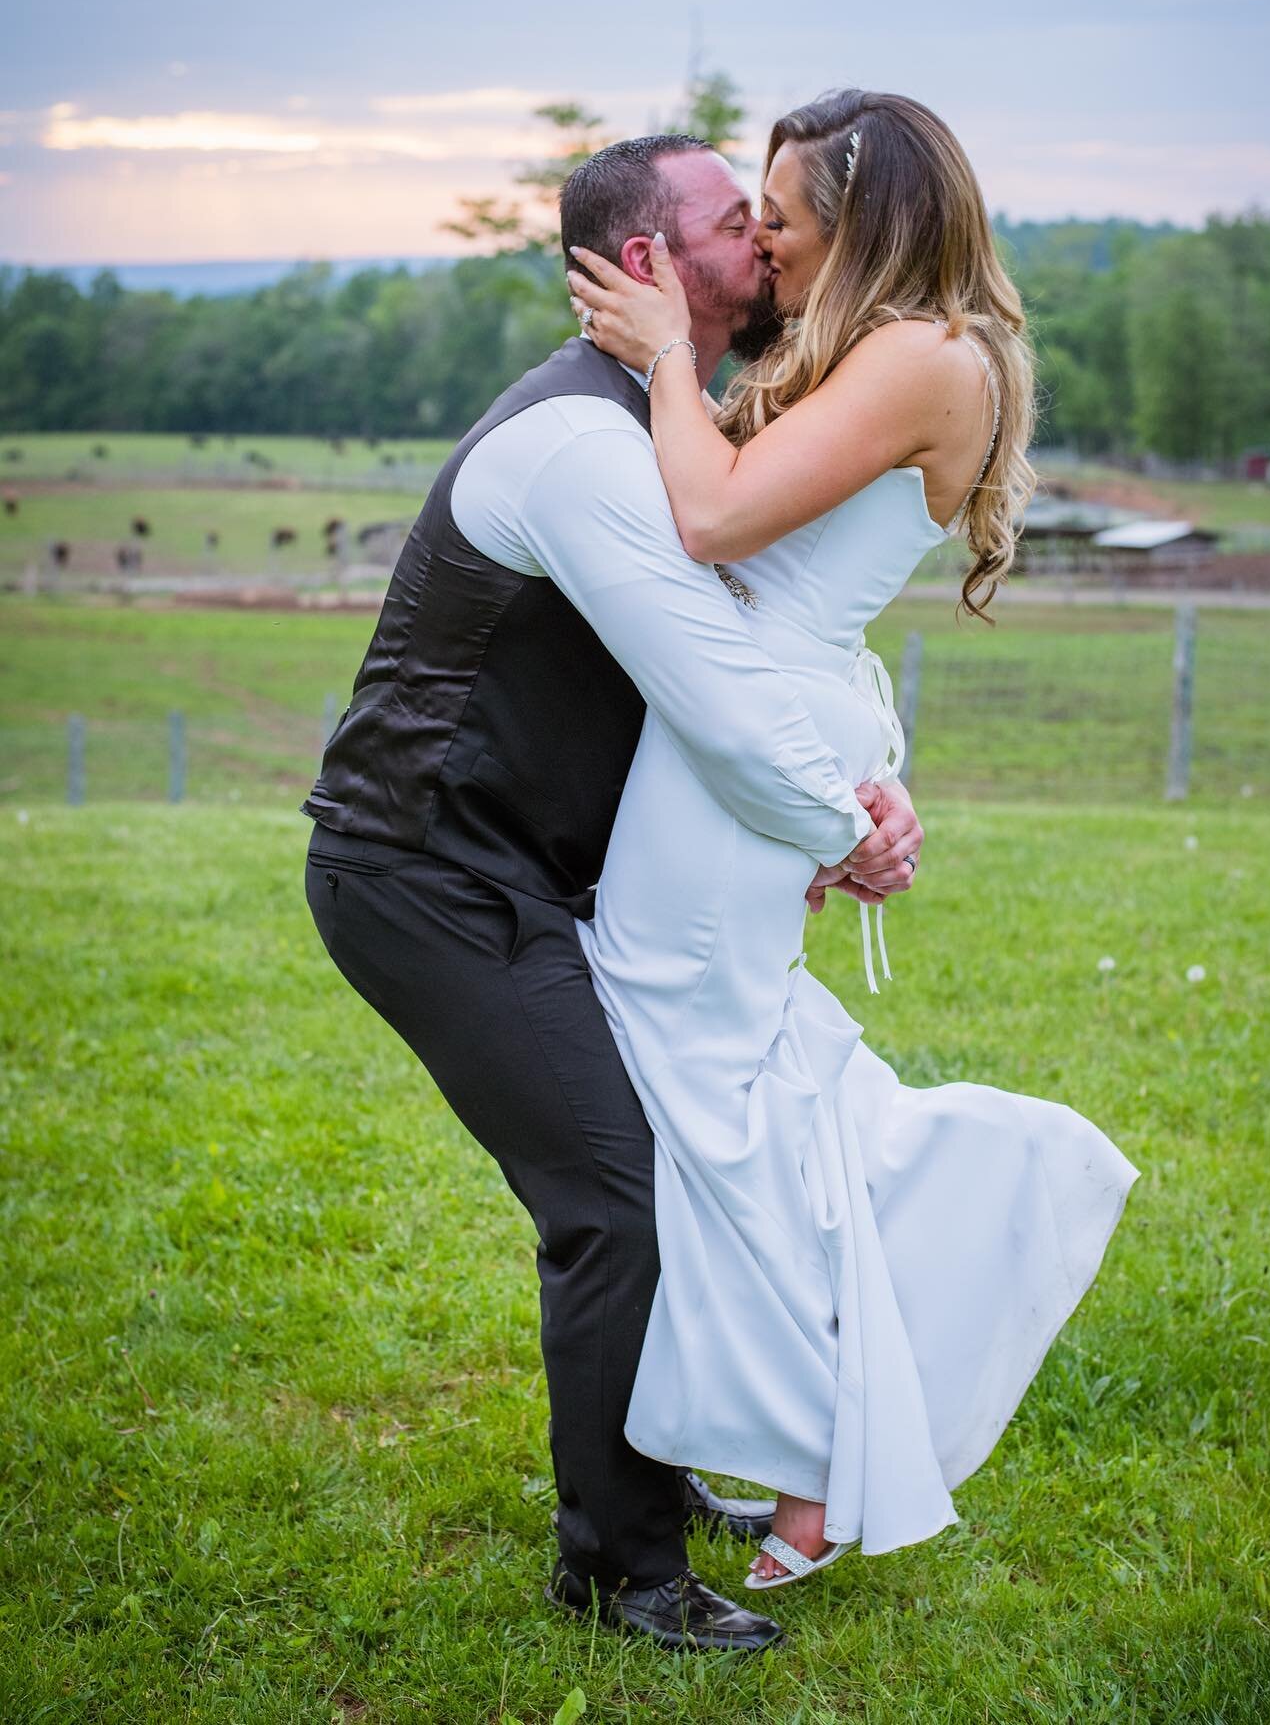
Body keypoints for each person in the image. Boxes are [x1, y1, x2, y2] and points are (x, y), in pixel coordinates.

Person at [300, 129, 923, 1654]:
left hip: (540, 879)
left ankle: (652, 1465)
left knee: (660, 1163)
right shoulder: (580, 452)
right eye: (737, 224)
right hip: (422, 877)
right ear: (649, 265)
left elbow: (788, 636)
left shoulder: (675, 428)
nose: (769, 246)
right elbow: (714, 693)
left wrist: (874, 775)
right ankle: (621, 1571)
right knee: (615, 1188)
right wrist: (829, 826)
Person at [565, 88, 1141, 1590]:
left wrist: (668, 362)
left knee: (700, 1074)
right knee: (730, 1067)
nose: (764, 243)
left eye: (787, 221)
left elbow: (714, 518)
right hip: (754, 716)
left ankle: (839, 1425)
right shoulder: (905, 348)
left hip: (743, 729)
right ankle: (813, 1434)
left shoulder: (928, 354)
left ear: (870, 222)